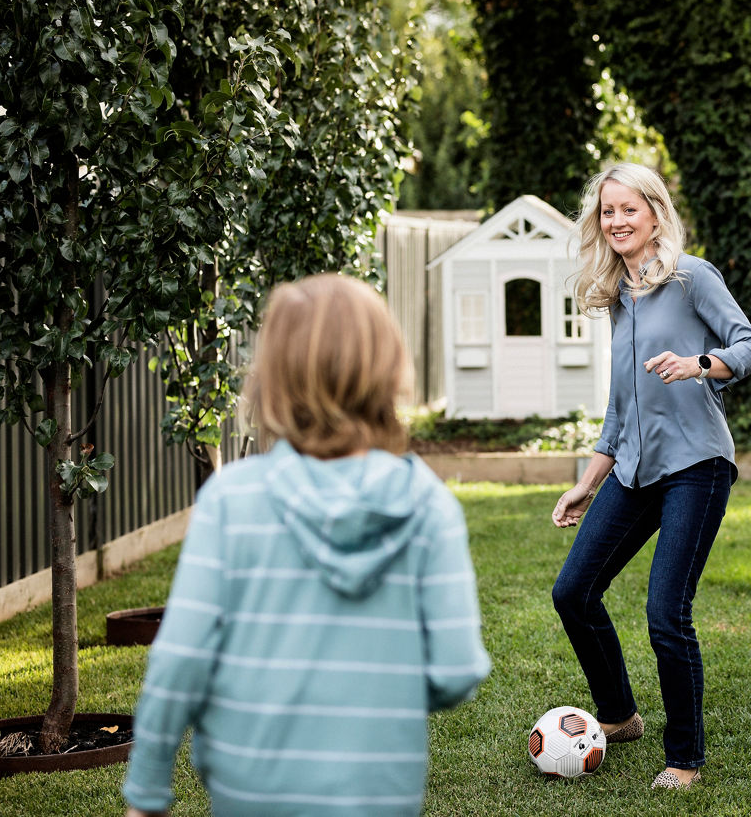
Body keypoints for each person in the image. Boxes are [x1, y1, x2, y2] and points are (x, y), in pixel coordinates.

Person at [122, 274, 490, 817]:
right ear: (388, 369)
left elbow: (180, 659)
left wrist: (148, 792)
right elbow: (458, 670)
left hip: (248, 786)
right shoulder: (430, 507)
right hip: (379, 788)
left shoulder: (231, 499)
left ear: (272, 376)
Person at [551, 163, 751, 790]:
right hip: (635, 470)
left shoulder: (692, 277)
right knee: (574, 592)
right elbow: (622, 408)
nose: (617, 221)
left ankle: (684, 757)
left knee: (665, 613)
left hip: (696, 467)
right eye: (607, 212)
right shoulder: (621, 294)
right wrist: (587, 481)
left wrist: (701, 364)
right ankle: (619, 717)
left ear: (654, 214)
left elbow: (750, 345)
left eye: (628, 210)